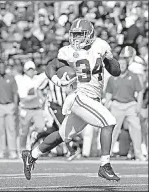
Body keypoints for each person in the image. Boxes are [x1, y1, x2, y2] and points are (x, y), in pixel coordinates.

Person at [21, 18, 121, 182]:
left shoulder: (101, 45)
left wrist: (110, 58)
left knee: (62, 135)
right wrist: (56, 80)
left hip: (93, 100)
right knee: (109, 122)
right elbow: (50, 67)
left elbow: (116, 71)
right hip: (81, 97)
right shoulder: (68, 51)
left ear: (89, 35)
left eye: (80, 35)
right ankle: (105, 165)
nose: (76, 39)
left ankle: (31, 154)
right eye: (74, 35)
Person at [105, 46, 146, 161]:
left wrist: (138, 105)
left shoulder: (133, 76)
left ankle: (138, 154)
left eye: (123, 64)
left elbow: (140, 91)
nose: (122, 66)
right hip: (116, 105)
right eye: (120, 64)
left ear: (127, 65)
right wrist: (105, 106)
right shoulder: (112, 77)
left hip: (130, 105)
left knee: (136, 129)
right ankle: (107, 153)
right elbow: (108, 93)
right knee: (113, 130)